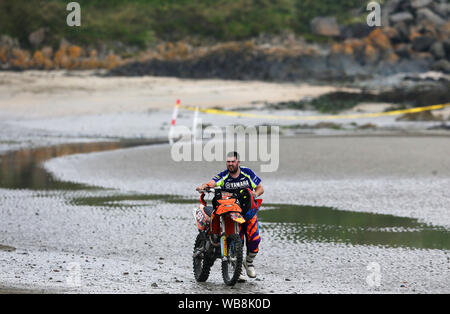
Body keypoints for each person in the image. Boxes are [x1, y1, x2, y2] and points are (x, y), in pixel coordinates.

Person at [196, 151, 264, 281]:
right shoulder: (224, 175)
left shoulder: (247, 173)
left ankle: (248, 262)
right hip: (232, 212)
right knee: (237, 239)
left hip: (248, 211)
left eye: (233, 161)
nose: (230, 164)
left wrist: (254, 194)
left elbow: (260, 188)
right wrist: (204, 186)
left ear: (238, 162)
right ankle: (236, 269)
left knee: (254, 238)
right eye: (228, 162)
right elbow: (213, 182)